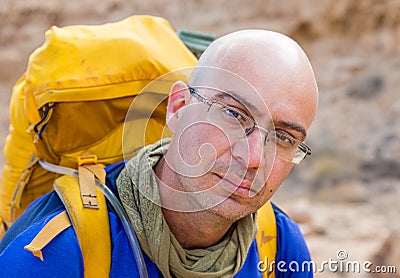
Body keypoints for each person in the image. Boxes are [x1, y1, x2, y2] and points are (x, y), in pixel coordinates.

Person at [0, 29, 318, 277]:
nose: (253, 159)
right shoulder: (57, 253)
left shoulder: (278, 248)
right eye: (233, 114)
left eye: (283, 137)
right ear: (178, 108)